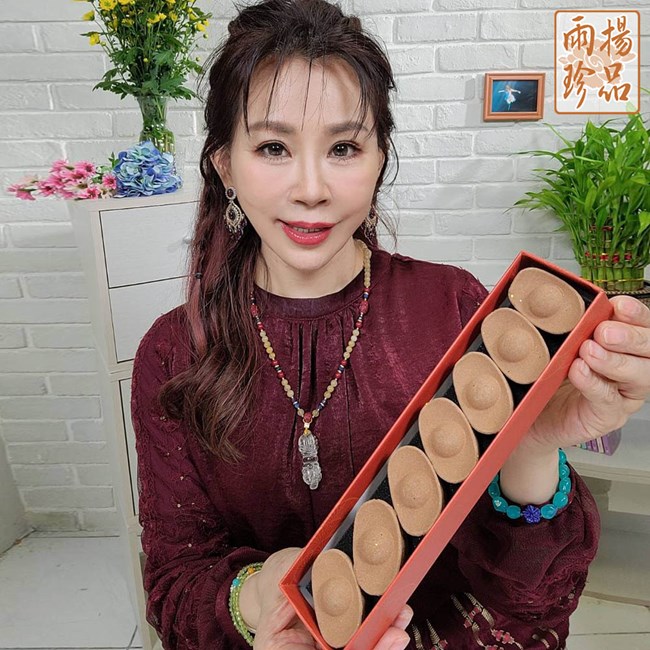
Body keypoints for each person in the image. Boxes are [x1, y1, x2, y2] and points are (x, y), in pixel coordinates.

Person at [130, 1, 650, 648]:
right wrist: (265, 595)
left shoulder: (455, 309)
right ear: (225, 165)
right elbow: (176, 583)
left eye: (344, 148)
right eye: (273, 147)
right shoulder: (173, 353)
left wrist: (533, 442)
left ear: (380, 158)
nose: (312, 188)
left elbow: (533, 599)